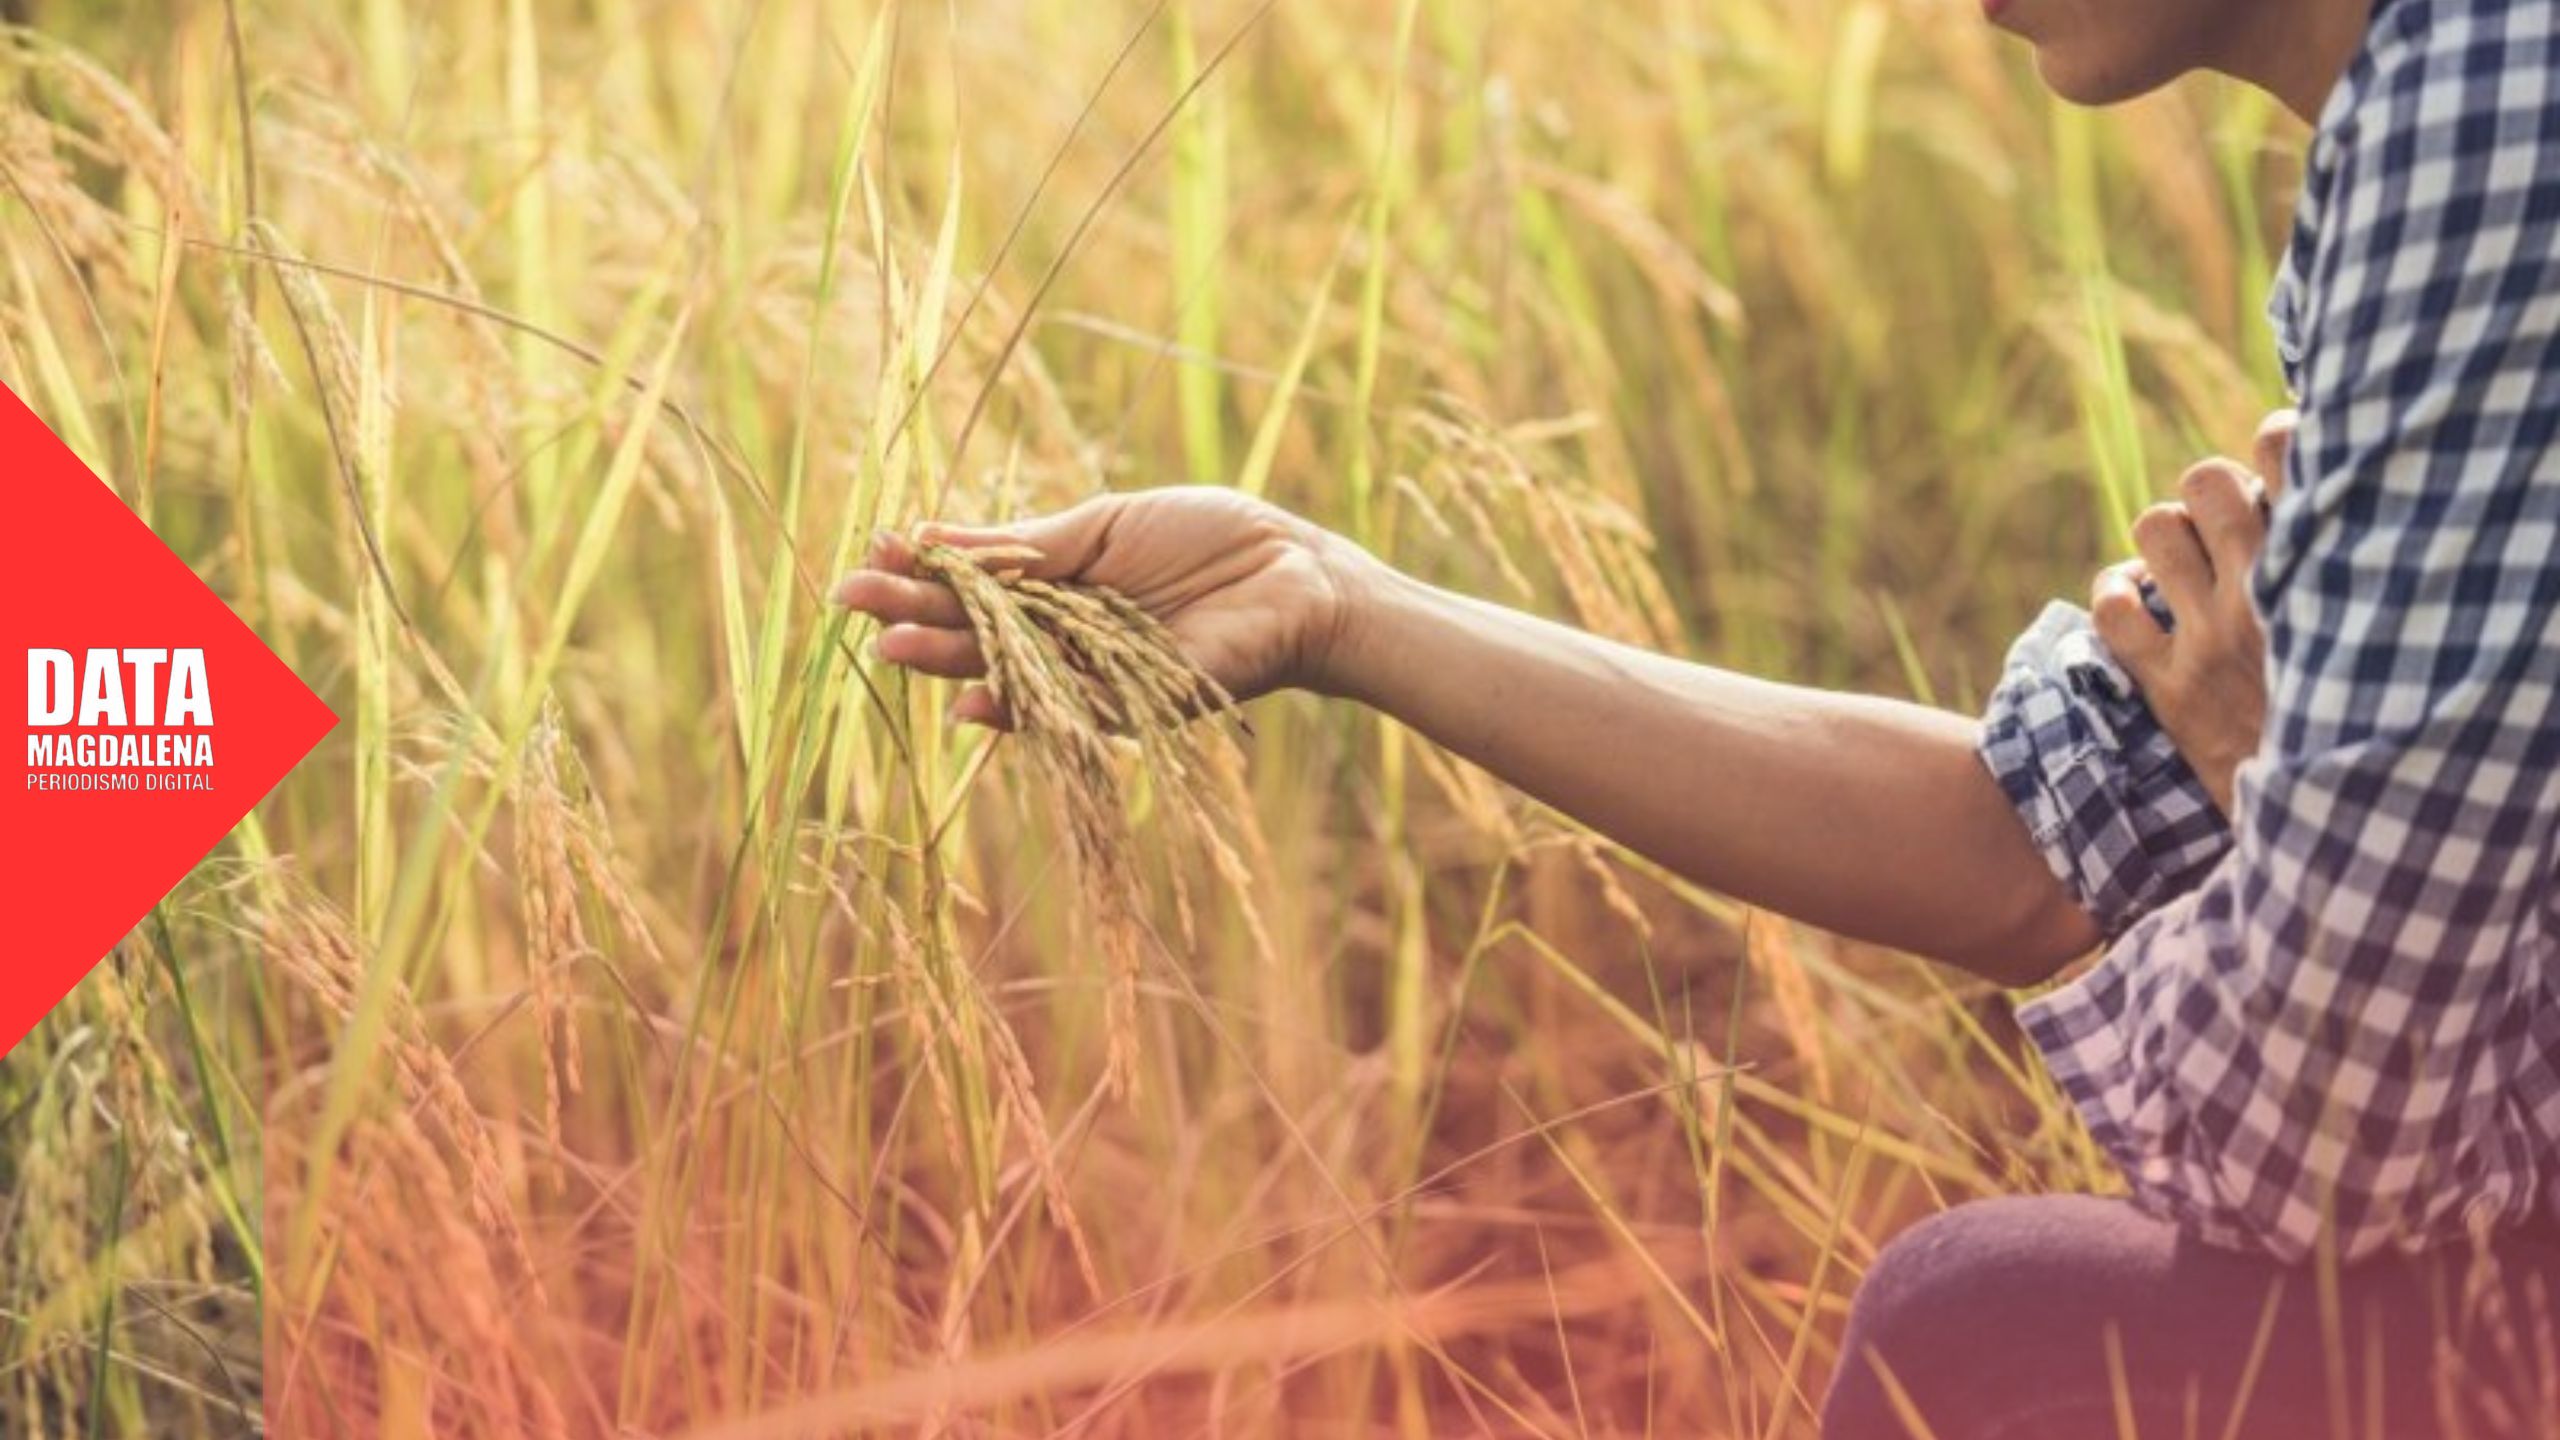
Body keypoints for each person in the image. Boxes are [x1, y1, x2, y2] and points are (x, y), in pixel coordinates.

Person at [836, 0, 2560, 1432]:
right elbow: (2029, 842)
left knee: (1996, 1333)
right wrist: (1335, 597)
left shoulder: (2487, 122)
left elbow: (2330, 1150)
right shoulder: (2425, 118)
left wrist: (2263, 770)